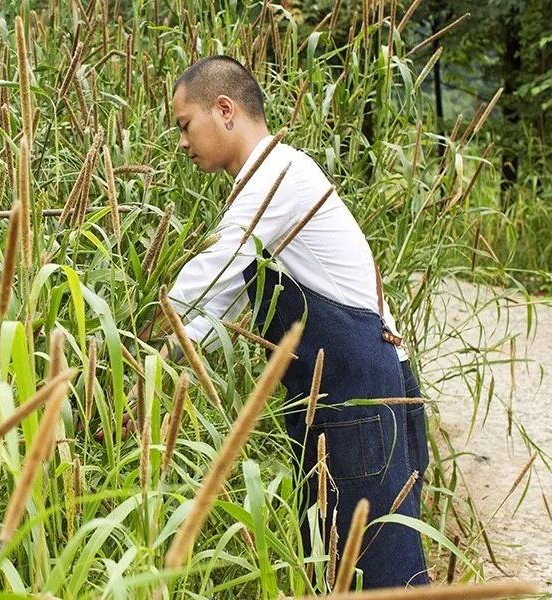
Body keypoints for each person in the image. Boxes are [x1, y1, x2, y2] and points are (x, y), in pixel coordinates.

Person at [164, 55, 431, 589]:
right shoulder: (275, 179)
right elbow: (228, 301)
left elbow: (208, 280)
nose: (183, 143)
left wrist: (144, 352)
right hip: (353, 395)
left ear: (225, 110)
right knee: (344, 571)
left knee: (379, 577)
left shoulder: (275, 176)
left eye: (185, 125)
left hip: (361, 400)